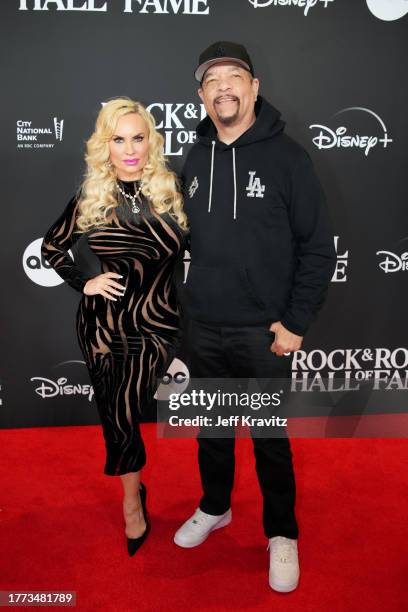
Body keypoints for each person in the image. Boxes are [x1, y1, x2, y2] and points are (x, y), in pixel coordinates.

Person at [173, 42, 337, 592]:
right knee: (212, 430)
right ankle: (215, 506)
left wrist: (295, 324)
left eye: (233, 76)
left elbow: (318, 248)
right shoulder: (192, 158)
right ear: (200, 95)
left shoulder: (287, 156)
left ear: (254, 86)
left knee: (268, 436)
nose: (223, 86)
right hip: (203, 328)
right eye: (212, 79)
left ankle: (282, 533)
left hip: (263, 332)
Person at [41, 97, 187, 556]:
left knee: (130, 405)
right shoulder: (92, 197)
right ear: (105, 146)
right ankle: (131, 502)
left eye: (138, 138)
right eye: (118, 139)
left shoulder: (172, 189)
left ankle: (133, 491)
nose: (129, 149)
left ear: (151, 142)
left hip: (156, 323)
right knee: (119, 415)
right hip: (103, 327)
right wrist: (85, 281)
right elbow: (52, 248)